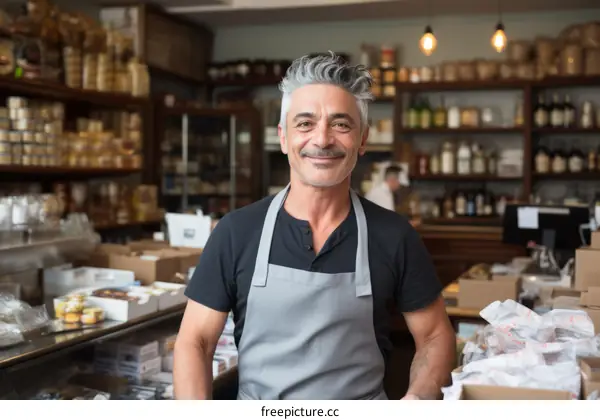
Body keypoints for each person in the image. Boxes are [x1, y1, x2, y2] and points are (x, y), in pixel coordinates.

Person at [173, 52, 456, 400]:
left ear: (363, 139)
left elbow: (434, 337)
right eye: (305, 123)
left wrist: (416, 399)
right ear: (282, 136)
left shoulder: (395, 236)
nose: (322, 140)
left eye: (341, 124)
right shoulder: (236, 232)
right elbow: (195, 342)